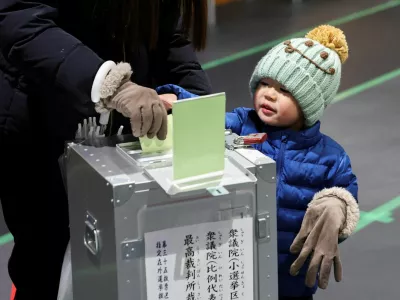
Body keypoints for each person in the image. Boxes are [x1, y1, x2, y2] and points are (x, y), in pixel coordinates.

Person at [0, 0, 211, 299]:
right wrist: (111, 84)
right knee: (45, 265)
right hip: (39, 126)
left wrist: (200, 104)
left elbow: (167, 34)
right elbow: (18, 19)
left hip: (118, 134)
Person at [159, 25, 360, 299]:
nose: (269, 94)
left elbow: (346, 193)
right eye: (265, 83)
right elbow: (209, 115)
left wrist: (339, 206)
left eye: (284, 90)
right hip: (237, 271)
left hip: (291, 281)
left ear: (309, 103)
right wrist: (178, 99)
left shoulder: (331, 157)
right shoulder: (242, 124)